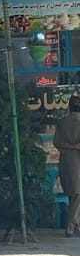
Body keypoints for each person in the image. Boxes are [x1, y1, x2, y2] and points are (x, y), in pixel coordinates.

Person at [53, 95, 80, 237]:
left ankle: (76, 225)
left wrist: (67, 147)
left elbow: (56, 142)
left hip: (65, 160)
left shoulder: (61, 122)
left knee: (72, 193)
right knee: (77, 193)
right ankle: (71, 224)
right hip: (77, 160)